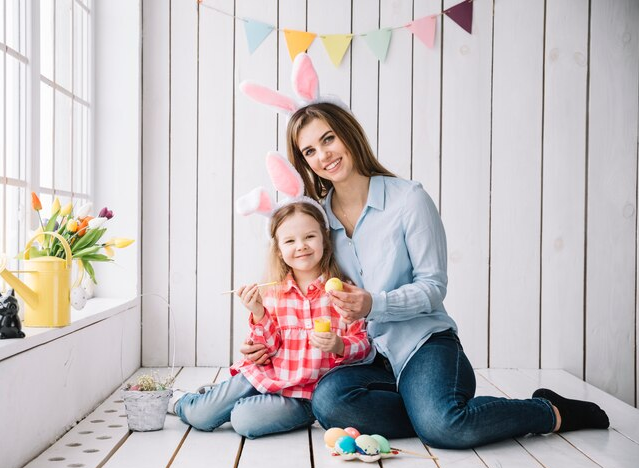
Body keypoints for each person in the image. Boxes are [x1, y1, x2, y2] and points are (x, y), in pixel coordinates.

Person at [240, 101, 610, 449]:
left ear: (348, 134)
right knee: (329, 403)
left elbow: (434, 287)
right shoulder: (317, 220)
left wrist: (373, 304)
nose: (323, 155)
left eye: (328, 139)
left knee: (443, 427)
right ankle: (432, 409)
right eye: (309, 151)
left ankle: (548, 411)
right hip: (366, 356)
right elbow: (305, 292)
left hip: (423, 343)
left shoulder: (408, 199)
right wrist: (267, 337)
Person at [170, 201, 370, 439]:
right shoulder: (273, 293)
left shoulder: (343, 291)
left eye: (309, 236)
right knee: (200, 416)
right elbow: (266, 348)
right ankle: (182, 400)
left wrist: (339, 345)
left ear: (324, 239)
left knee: (244, 420)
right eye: (290, 241)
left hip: (303, 396)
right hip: (263, 376)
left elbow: (363, 344)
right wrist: (258, 312)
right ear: (278, 250)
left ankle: (219, 397)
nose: (301, 246)